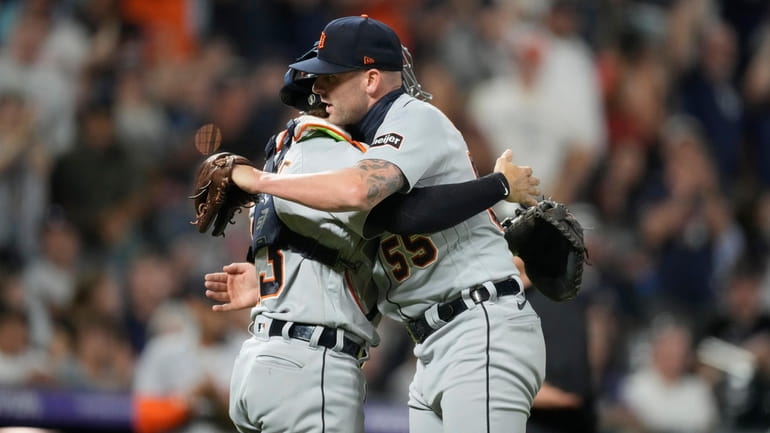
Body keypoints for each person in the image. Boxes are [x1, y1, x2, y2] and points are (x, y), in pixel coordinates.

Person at [218, 15, 546, 433]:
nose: (317, 90)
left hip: (479, 322)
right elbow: (385, 225)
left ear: (371, 79)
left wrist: (262, 180)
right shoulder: (359, 150)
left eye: (330, 78)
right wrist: (280, 281)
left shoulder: (411, 116)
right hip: (432, 344)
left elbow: (372, 200)